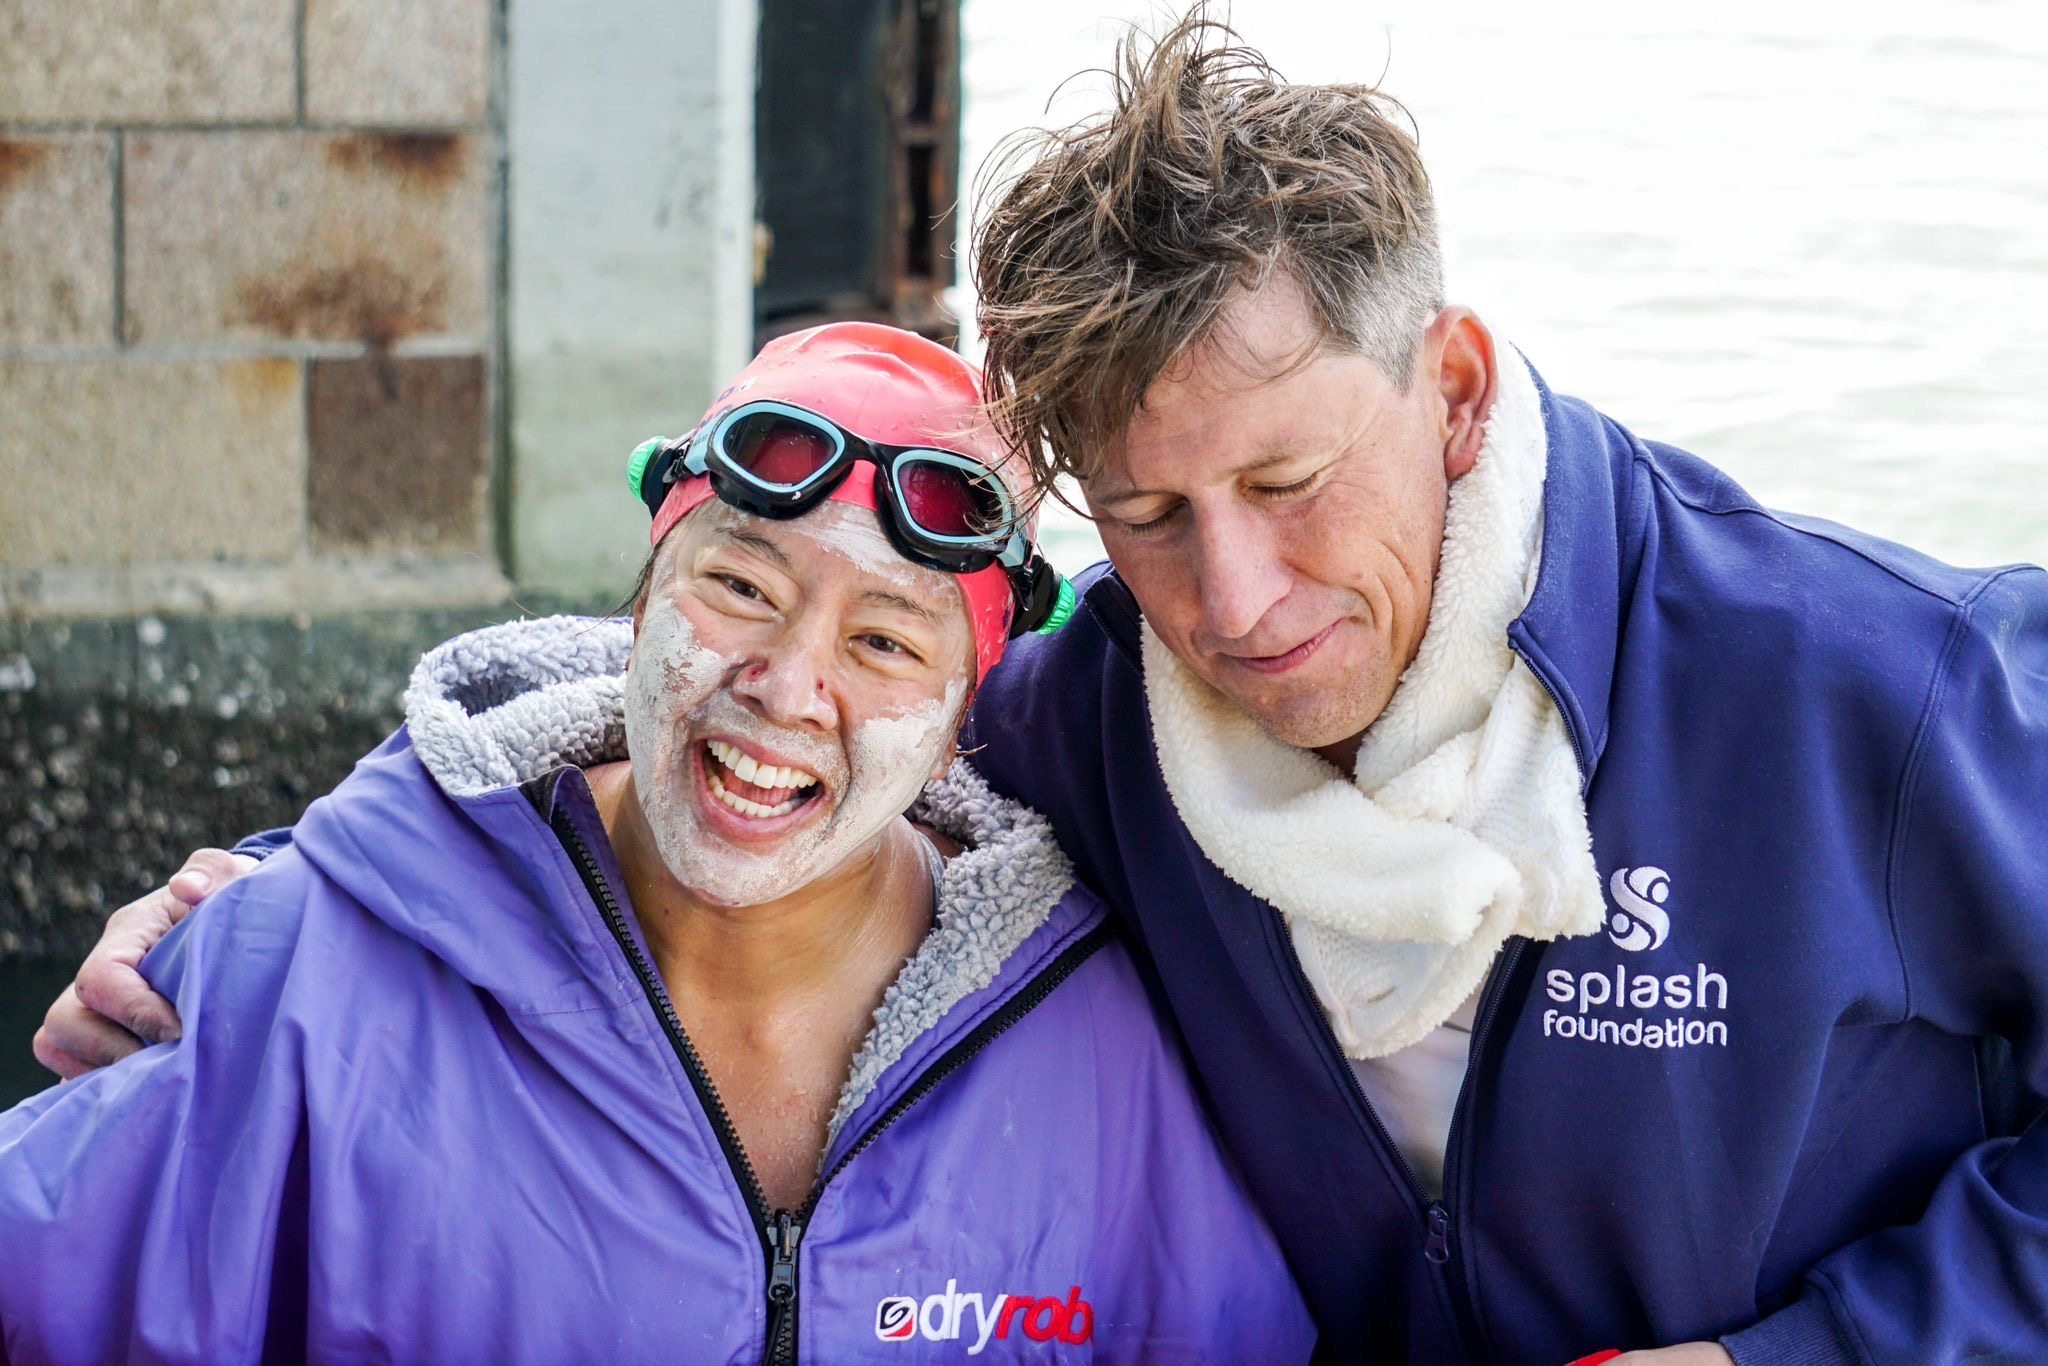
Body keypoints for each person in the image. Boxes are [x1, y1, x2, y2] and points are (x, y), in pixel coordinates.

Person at [37, 14, 2048, 1364]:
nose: (1237, 600)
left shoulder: (1865, 676)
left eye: (1285, 481)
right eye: (1151, 512)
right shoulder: (1100, 717)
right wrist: (301, 884)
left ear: (1445, 387)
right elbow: (762, 719)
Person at [0, 322, 1313, 1363]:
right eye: (740, 585)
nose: (789, 687)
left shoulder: (1099, 1051)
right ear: (639, 604)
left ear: (963, 716)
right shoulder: (310, 980)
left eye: (884, 643)